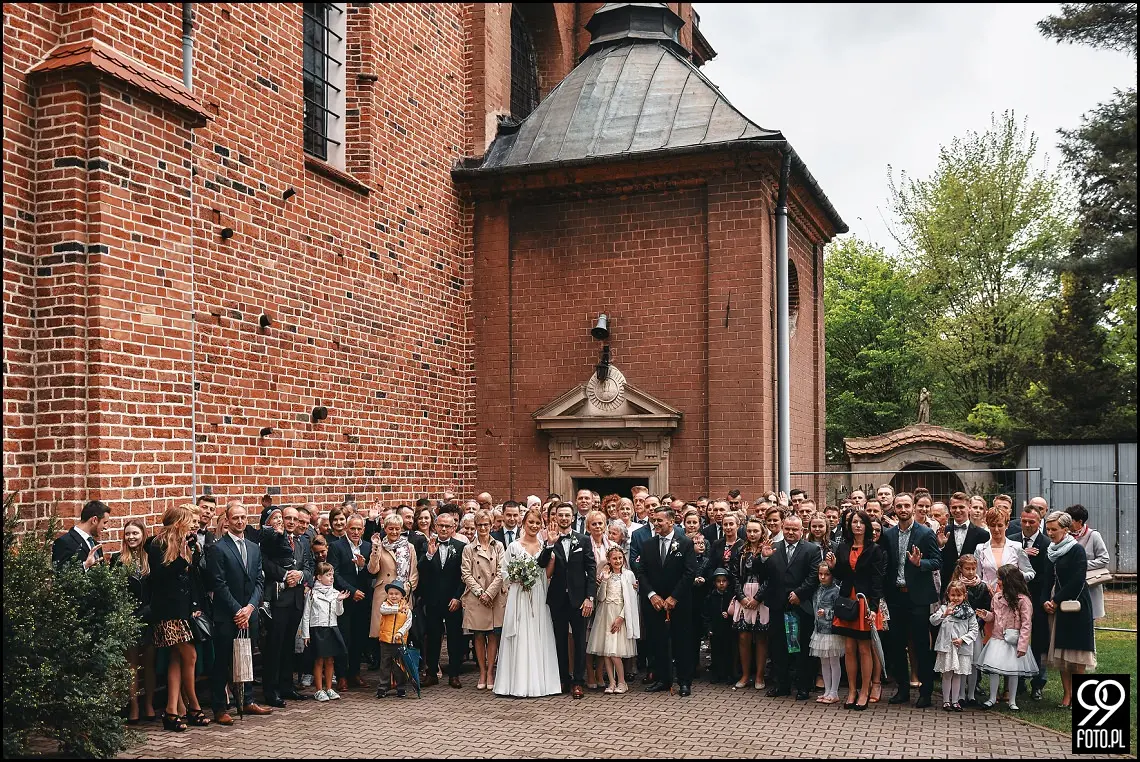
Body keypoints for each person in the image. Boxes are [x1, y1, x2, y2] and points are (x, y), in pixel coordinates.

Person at [205, 501, 272, 724]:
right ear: (227, 520)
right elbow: (218, 583)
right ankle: (220, 708)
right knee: (223, 661)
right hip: (227, 614)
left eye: (243, 517)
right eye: (235, 518)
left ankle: (247, 699)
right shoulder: (218, 547)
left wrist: (250, 607)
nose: (240, 521)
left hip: (249, 611)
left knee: (246, 657)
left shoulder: (254, 547)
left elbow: (260, 580)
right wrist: (237, 610)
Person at [147, 505, 209, 731]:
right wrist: (183, 558)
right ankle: (194, 706)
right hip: (167, 611)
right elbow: (162, 577)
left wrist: (194, 552)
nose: (192, 525)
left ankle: (171, 712)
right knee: (190, 655)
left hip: (183, 610)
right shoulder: (156, 543)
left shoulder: (185, 542)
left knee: (176, 658)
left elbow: (193, 578)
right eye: (187, 520)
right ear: (176, 522)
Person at [494, 506, 563, 698]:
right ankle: (516, 684)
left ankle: (540, 683)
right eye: (530, 522)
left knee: (537, 633)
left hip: (539, 593)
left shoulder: (545, 546)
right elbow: (504, 571)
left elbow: (547, 574)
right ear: (523, 524)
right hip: (519, 595)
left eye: (537, 523)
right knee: (520, 634)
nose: (534, 525)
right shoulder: (514, 546)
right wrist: (517, 578)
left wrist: (551, 561)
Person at [881, 492, 941, 708]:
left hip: (918, 598)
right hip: (895, 596)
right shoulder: (887, 535)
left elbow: (937, 561)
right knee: (896, 645)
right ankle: (902, 689)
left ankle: (925, 692)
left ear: (913, 507)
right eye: (899, 506)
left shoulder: (925, 533)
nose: (903, 509)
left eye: (907, 505)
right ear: (895, 509)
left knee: (921, 645)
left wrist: (920, 563)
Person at [635, 505, 698, 696]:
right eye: (654, 521)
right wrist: (651, 595)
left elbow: (689, 572)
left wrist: (674, 597)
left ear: (671, 522)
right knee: (658, 642)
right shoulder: (647, 545)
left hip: (679, 602)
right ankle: (663, 679)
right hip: (654, 603)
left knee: (682, 642)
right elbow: (641, 572)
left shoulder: (685, 543)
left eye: (659, 520)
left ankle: (684, 682)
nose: (656, 524)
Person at [537, 502, 597, 698]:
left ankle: (578, 682)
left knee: (580, 641)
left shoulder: (584, 540)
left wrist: (590, 597)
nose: (563, 518)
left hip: (579, 599)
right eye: (560, 515)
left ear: (572, 518)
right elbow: (541, 564)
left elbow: (591, 569)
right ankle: (563, 679)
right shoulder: (550, 540)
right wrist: (549, 544)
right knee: (559, 640)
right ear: (555, 518)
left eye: (567, 515)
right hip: (557, 599)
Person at [826, 510, 884, 710]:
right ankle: (851, 691)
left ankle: (865, 691)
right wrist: (834, 567)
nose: (857, 525)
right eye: (854, 522)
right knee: (849, 649)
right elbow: (843, 575)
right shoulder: (843, 547)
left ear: (867, 526)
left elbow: (877, 581)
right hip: (846, 602)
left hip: (865, 603)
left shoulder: (875, 549)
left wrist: (874, 608)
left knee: (864, 648)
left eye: (861, 522)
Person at [760, 515, 822, 701]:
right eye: (787, 529)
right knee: (779, 648)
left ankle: (803, 687)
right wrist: (763, 558)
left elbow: (813, 576)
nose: (790, 532)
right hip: (778, 606)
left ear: (802, 530)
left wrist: (799, 594)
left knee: (802, 649)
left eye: (795, 529)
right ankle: (782, 685)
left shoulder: (812, 549)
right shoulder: (773, 548)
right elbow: (763, 575)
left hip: (801, 606)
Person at [1042, 510, 1096, 709]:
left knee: (1077, 652)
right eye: (1048, 529)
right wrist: (1044, 601)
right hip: (1055, 604)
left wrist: (1056, 600)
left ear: (1065, 529)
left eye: (1054, 529)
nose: (1050, 533)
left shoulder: (1076, 550)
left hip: (1076, 604)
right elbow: (1046, 579)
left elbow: (1077, 579)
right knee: (1061, 651)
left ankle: (1080, 696)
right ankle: (1067, 695)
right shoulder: (1050, 551)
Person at [262, 506, 315, 707]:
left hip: (296, 600)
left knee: (288, 646)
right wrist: (285, 575)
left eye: (295, 519)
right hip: (279, 599)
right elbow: (265, 562)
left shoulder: (302, 541)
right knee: (275, 645)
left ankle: (287, 686)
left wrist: (300, 575)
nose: (291, 522)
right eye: (288, 518)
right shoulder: (273, 540)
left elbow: (309, 567)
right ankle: (271, 690)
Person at [112, 519, 156, 723]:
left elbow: (158, 589)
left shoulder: (151, 558)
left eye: (135, 533)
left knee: (149, 663)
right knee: (131, 664)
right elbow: (115, 591)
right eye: (128, 533)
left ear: (143, 535)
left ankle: (149, 704)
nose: (131, 537)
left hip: (149, 617)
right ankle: (134, 705)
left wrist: (150, 609)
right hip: (129, 617)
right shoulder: (117, 559)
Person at [977, 564, 1037, 711]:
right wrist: (986, 615)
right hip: (998, 639)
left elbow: (1026, 624)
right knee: (994, 669)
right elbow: (994, 616)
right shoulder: (997, 597)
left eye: (1000, 578)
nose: (997, 581)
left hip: (1014, 641)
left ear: (1009, 580)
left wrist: (1023, 645)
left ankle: (1012, 700)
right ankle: (992, 698)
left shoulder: (1023, 600)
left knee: (1014, 671)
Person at [418, 509, 466, 688]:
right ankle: (431, 673)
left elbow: (464, 576)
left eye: (448, 526)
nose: (444, 529)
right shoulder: (426, 545)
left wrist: (458, 597)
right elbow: (420, 570)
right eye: (441, 526)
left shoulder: (461, 547)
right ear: (435, 526)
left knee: (454, 637)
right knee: (432, 637)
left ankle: (454, 674)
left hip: (453, 600)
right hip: (433, 600)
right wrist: (429, 555)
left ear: (454, 527)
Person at [1009, 502, 1052, 701]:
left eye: (1031, 522)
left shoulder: (1046, 544)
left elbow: (1048, 575)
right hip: (1015, 600)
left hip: (1038, 599)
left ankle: (1038, 683)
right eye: (1024, 521)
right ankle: (1017, 683)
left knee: (1039, 642)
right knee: (1016, 639)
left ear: (1039, 521)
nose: (1027, 525)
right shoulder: (1013, 541)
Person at [460, 509, 506, 690]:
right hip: (477, 597)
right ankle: (481, 671)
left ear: (492, 524)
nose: (483, 528)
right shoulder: (468, 548)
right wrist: (481, 593)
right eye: (479, 525)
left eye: (486, 524)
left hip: (495, 596)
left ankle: (490, 672)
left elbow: (503, 571)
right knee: (478, 635)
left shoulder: (499, 546)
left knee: (493, 634)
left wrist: (490, 593)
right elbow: (466, 573)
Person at [327, 514, 373, 690]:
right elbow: (335, 573)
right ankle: (342, 676)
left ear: (363, 530)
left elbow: (372, 573)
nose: (355, 532)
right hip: (344, 598)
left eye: (358, 529)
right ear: (346, 528)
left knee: (359, 638)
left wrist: (363, 567)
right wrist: (352, 591)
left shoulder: (368, 547)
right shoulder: (336, 546)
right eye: (352, 528)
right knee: (344, 638)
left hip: (363, 600)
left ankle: (355, 673)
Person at [587, 546, 640, 694]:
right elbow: (601, 597)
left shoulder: (628, 575)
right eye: (614, 558)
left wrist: (621, 617)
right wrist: (603, 579)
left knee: (615, 652)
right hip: (605, 614)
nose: (617, 561)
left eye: (620, 558)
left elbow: (630, 599)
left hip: (619, 615)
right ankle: (611, 682)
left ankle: (622, 682)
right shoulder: (607, 575)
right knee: (607, 652)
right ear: (609, 560)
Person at [730, 517, 770, 691]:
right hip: (744, 595)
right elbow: (734, 576)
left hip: (761, 597)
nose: (752, 534)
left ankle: (760, 675)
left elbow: (770, 577)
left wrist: (758, 598)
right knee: (744, 637)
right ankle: (745, 675)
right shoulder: (740, 550)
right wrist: (741, 597)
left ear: (762, 532)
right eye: (749, 531)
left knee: (761, 638)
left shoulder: (768, 549)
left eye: (756, 531)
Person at [949, 554, 992, 706]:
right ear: (960, 569)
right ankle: (960, 694)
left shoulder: (982, 586)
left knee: (974, 662)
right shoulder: (956, 585)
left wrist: (978, 623)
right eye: (967, 569)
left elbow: (986, 607)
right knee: (961, 662)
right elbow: (949, 603)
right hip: (958, 629)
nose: (971, 572)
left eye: (974, 568)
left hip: (975, 629)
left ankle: (972, 694)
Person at [930, 580, 979, 712]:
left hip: (961, 647)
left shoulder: (969, 612)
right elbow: (933, 620)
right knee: (947, 673)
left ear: (964, 595)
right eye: (953, 595)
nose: (956, 598)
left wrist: (963, 639)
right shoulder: (944, 608)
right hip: (948, 648)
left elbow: (974, 629)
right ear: (948, 595)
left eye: (959, 595)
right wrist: (944, 614)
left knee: (958, 674)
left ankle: (956, 701)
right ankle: (946, 701)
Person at [302, 562, 348, 702]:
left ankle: (329, 688)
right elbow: (306, 614)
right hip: (317, 629)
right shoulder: (312, 594)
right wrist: (306, 634)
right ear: (319, 577)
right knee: (319, 660)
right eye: (328, 575)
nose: (331, 578)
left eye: (332, 575)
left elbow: (339, 613)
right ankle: (319, 690)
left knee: (330, 660)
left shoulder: (335, 593)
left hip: (332, 628)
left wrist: (340, 601)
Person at [938, 492, 991, 597]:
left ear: (969, 507)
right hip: (948, 587)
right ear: (950, 508)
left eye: (961, 507)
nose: (957, 510)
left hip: (974, 590)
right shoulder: (942, 531)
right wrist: (940, 546)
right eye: (954, 507)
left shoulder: (983, 534)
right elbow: (939, 561)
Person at [1066, 504, 1110, 621]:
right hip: (1069, 586)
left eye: (1070, 521)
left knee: (1089, 622)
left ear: (1079, 522)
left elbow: (1104, 559)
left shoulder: (1094, 536)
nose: (1067, 524)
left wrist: (1082, 566)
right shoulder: (1065, 536)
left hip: (1089, 586)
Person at [974, 508, 1034, 588]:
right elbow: (977, 576)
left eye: (1000, 525)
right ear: (987, 525)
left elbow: (1030, 573)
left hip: (1011, 596)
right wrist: (985, 587)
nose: (996, 529)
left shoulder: (1017, 547)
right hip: (987, 596)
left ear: (1007, 525)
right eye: (992, 525)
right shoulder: (980, 549)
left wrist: (1015, 576)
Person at [373, 580, 413, 699]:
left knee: (399, 666)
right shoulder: (385, 605)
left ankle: (400, 687)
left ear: (402, 595)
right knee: (385, 664)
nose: (393, 596)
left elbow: (408, 623)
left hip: (399, 642)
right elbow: (383, 611)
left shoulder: (406, 609)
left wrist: (400, 633)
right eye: (391, 593)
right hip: (386, 641)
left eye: (396, 594)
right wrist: (397, 609)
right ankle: (383, 686)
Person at [810, 562, 844, 704]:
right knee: (824, 661)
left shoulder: (836, 591)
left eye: (826, 574)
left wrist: (827, 613)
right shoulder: (818, 589)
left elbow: (840, 610)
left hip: (832, 631)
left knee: (834, 661)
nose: (823, 577)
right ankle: (827, 690)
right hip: (819, 630)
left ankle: (834, 692)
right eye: (820, 574)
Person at [52, 499, 111, 570]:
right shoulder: (64, 542)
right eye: (104, 522)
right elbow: (59, 574)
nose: (106, 527)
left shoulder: (96, 545)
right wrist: (85, 565)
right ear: (94, 520)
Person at [704, 568, 735, 684]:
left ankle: (728, 674)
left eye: (724, 581)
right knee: (716, 652)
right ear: (714, 583)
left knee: (728, 652)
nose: (721, 584)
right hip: (715, 629)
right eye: (718, 581)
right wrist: (708, 628)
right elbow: (706, 615)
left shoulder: (731, 597)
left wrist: (729, 615)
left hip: (727, 629)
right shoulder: (710, 597)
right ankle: (716, 674)